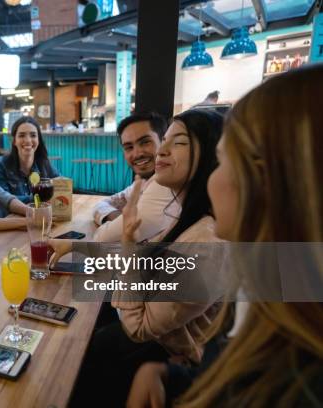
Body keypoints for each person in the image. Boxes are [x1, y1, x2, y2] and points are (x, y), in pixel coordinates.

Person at [129, 66, 323, 408]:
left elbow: (140, 326)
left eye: (223, 162)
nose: (154, 153)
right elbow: (222, 370)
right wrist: (167, 375)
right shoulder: (272, 290)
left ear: (276, 181)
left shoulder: (297, 382)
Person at [66, 109, 225, 407]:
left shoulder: (205, 241)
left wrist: (126, 243)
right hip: (159, 335)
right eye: (164, 140)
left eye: (177, 142)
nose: (160, 151)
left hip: (167, 354)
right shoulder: (182, 211)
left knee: (75, 350)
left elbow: (138, 329)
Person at [93, 112, 179, 243]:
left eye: (145, 142)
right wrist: (119, 219)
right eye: (129, 147)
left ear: (164, 141)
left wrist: (117, 223)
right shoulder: (143, 181)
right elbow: (102, 203)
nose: (137, 153)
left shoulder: (164, 185)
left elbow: (101, 239)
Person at [0, 116, 59, 217]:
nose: (28, 140)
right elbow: (3, 200)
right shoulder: (1, 165)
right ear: (14, 140)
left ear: (39, 140)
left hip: (39, 219)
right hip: (9, 224)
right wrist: (37, 198)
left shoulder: (43, 163)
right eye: (22, 135)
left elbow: (60, 183)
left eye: (33, 135)